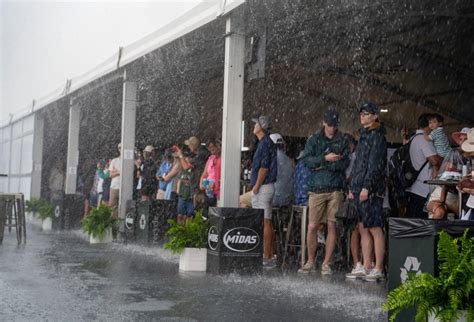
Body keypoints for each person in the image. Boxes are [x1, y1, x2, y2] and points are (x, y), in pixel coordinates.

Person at [299, 107, 349, 275]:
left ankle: (326, 263)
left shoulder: (342, 139)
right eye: (329, 124)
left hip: (335, 189)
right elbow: (305, 161)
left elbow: (345, 163)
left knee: (332, 225)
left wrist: (324, 164)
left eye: (334, 125)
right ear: (323, 123)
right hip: (317, 189)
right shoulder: (314, 139)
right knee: (312, 226)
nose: (332, 128)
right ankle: (310, 261)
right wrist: (325, 159)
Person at [348, 102, 387, 281]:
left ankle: (378, 267)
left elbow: (375, 165)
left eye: (366, 113)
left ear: (374, 116)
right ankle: (367, 265)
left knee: (375, 227)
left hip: (371, 189)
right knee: (363, 227)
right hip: (359, 187)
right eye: (361, 113)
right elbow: (358, 164)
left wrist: (367, 186)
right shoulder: (363, 136)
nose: (362, 116)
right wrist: (352, 187)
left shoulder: (377, 136)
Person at [250, 115, 277, 267]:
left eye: (256, 124)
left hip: (263, 187)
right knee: (267, 221)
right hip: (266, 186)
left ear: (262, 127)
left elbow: (264, 168)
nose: (254, 126)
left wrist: (256, 186)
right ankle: (269, 254)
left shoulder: (265, 143)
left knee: (265, 221)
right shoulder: (264, 143)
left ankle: (267, 256)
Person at [406, 114, 442, 218]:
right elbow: (434, 161)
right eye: (432, 122)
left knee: (412, 220)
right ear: (428, 125)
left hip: (413, 185)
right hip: (422, 188)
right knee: (420, 221)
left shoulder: (413, 138)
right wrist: (443, 157)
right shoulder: (424, 139)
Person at [270, 133, 294, 208]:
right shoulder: (290, 161)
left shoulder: (270, 159)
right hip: (287, 199)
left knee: (242, 200)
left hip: (272, 199)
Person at [199, 139, 222, 206]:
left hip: (218, 189)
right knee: (207, 208)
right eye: (209, 147)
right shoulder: (210, 158)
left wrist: (215, 182)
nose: (211, 149)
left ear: (218, 146)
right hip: (209, 187)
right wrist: (201, 184)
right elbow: (205, 173)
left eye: (212, 147)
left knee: (215, 208)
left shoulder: (223, 157)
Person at [176, 149, 195, 224]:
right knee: (180, 214)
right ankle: (180, 229)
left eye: (188, 157)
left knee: (189, 215)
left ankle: (188, 231)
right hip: (182, 195)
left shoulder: (193, 170)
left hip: (190, 197)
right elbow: (179, 180)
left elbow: (192, 182)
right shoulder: (182, 170)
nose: (186, 159)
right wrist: (177, 190)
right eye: (186, 157)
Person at [108, 143, 121, 219]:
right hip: (114, 187)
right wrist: (119, 172)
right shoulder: (114, 160)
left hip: (124, 187)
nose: (120, 149)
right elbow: (110, 174)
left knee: (123, 207)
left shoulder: (129, 161)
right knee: (112, 207)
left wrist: (115, 172)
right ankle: (114, 226)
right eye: (119, 148)